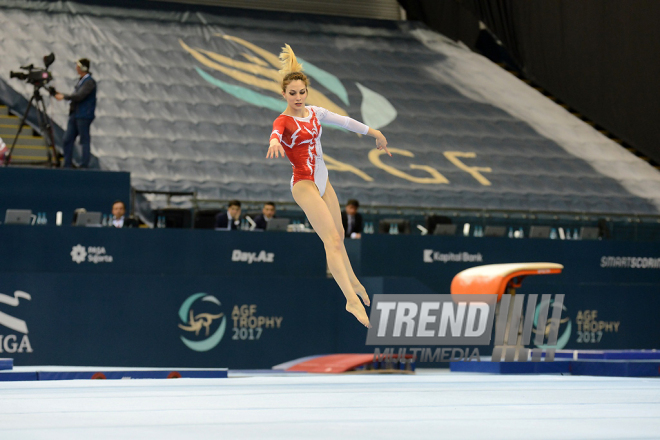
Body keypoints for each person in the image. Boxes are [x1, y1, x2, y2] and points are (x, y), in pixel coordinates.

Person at [267, 44, 390, 328]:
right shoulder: (283, 120)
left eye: (301, 92)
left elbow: (345, 121)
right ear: (283, 94)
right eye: (292, 93)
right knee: (331, 241)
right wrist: (274, 141)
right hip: (304, 184)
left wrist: (376, 133)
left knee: (340, 235)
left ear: (306, 92)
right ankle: (350, 298)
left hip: (324, 179)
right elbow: (276, 133)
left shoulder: (315, 113)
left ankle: (354, 281)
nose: (297, 97)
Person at [55, 58, 96, 168]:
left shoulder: (89, 82)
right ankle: (67, 164)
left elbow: (79, 96)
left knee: (84, 140)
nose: (76, 68)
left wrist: (64, 96)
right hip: (75, 114)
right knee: (67, 139)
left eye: (78, 66)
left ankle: (84, 165)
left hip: (83, 115)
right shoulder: (82, 81)